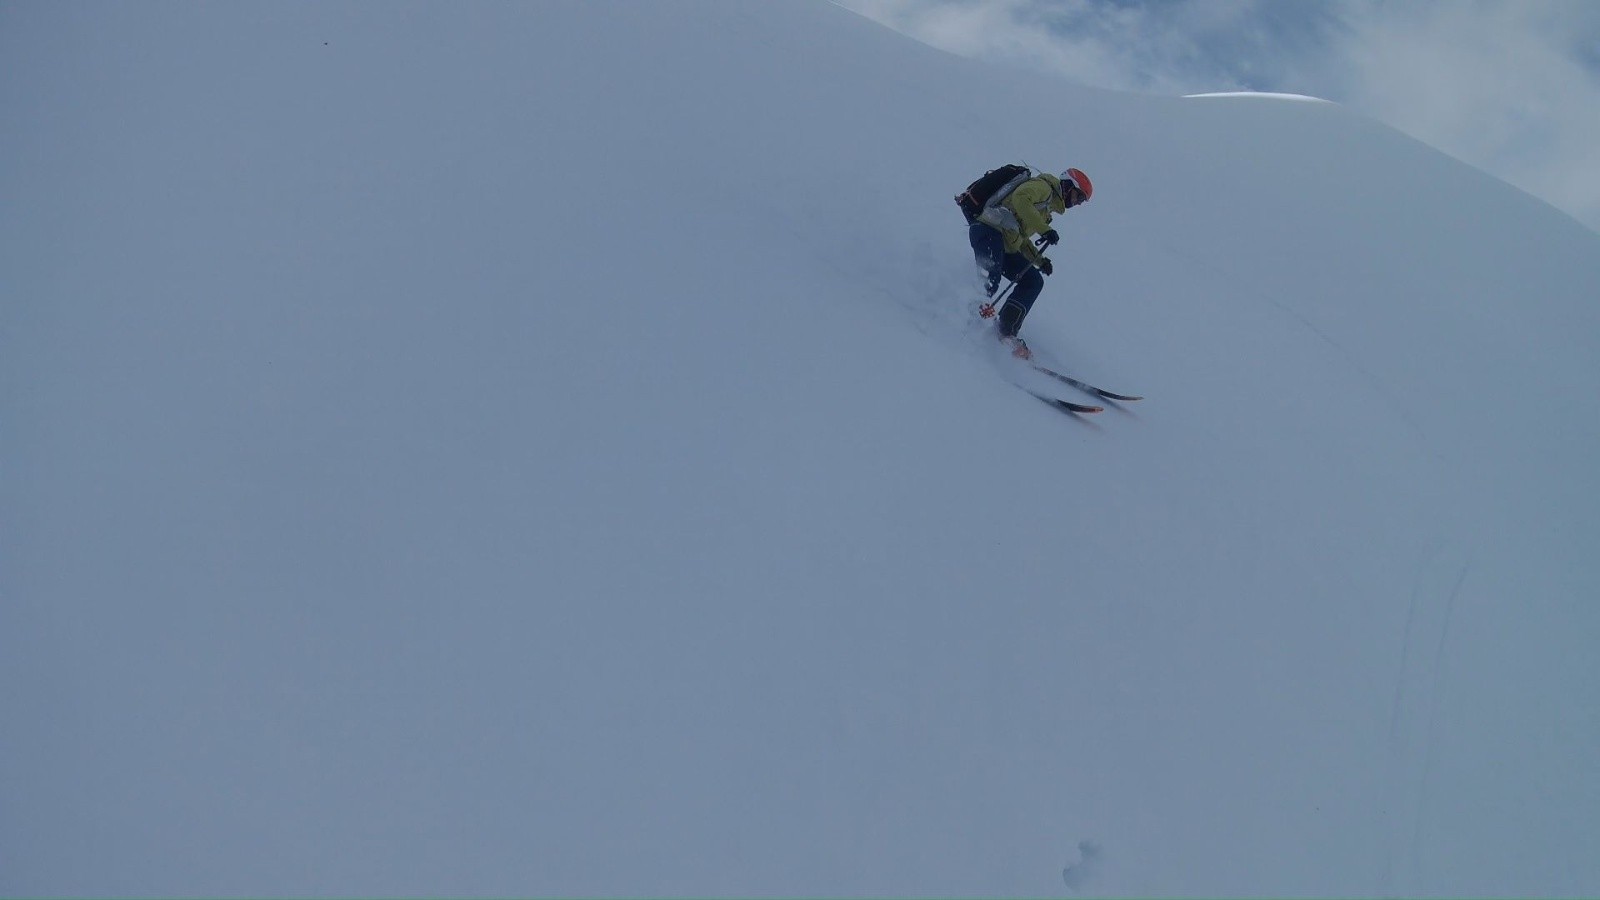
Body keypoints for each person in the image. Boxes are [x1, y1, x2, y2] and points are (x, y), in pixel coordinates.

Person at [970, 167, 1093, 359]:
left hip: (1004, 241)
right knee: (990, 279)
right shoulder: (1043, 187)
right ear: (1069, 187)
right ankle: (967, 320)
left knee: (1032, 281)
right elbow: (1020, 198)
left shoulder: (1047, 207)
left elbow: (1021, 237)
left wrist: (1040, 261)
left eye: (1081, 201)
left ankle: (1005, 331)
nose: (1077, 203)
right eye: (1079, 197)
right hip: (988, 230)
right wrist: (1044, 230)